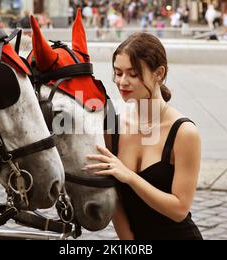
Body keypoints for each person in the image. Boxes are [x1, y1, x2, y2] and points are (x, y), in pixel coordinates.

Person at [84, 33, 203, 240]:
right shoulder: (113, 126)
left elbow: (179, 210)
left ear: (159, 73)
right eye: (118, 73)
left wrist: (130, 177)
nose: (122, 82)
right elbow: (115, 198)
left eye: (133, 74)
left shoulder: (184, 132)